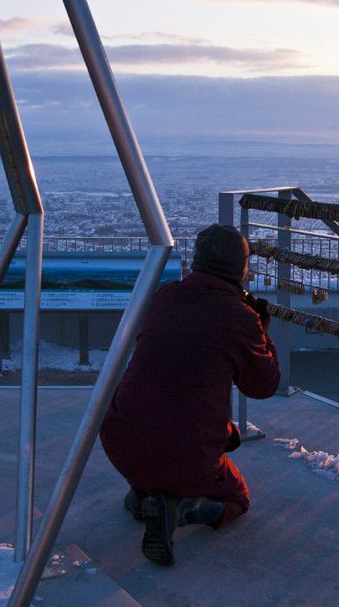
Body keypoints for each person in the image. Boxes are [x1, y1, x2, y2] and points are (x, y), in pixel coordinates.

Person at [99, 224, 281, 566]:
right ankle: (181, 506)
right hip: (186, 454)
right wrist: (262, 331)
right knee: (238, 499)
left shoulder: (165, 296)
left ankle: (144, 494)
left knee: (157, 440)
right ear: (242, 268)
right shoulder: (239, 317)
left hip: (119, 442)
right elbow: (263, 386)